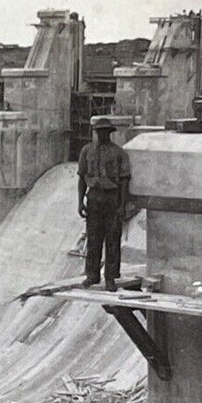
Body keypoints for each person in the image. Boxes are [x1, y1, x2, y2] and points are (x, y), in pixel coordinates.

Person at [77, 116, 131, 290]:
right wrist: (80, 201)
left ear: (110, 133)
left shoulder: (119, 153)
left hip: (111, 198)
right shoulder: (86, 151)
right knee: (93, 238)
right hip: (94, 198)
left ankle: (110, 277)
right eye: (99, 132)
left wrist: (122, 205)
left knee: (112, 239)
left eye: (105, 132)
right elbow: (82, 178)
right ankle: (92, 275)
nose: (102, 135)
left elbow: (124, 181)